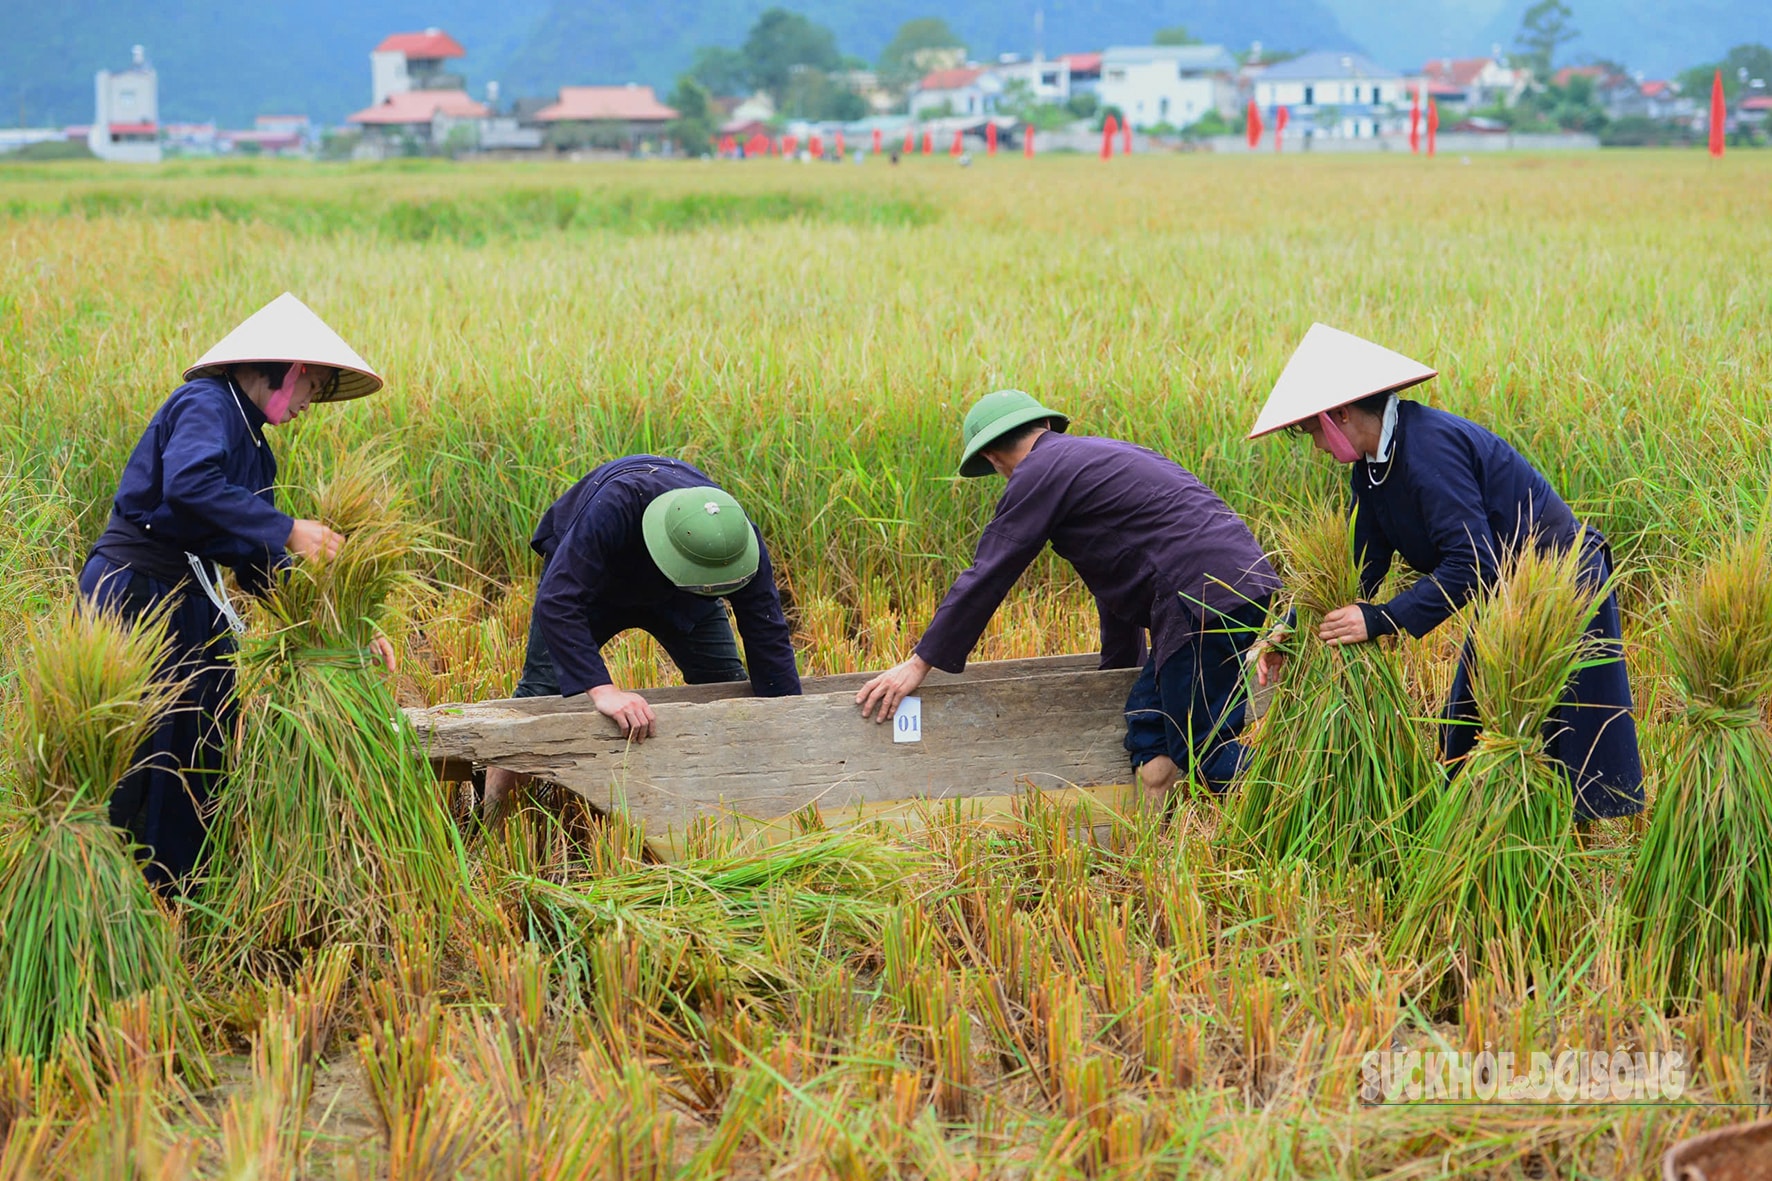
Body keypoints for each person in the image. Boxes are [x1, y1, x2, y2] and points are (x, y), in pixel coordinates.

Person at [1246, 323, 1643, 822]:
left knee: (1564, 739)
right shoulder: (1371, 467)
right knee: (1468, 722)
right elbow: (1358, 566)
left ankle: (1566, 856)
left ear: (1340, 414)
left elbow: (1474, 562)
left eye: (1311, 431)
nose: (1316, 447)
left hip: (1560, 581)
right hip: (1508, 589)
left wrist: (1383, 619)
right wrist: (1292, 629)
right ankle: (1491, 829)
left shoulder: (1428, 448)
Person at [79, 292, 391, 890]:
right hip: (135, 590)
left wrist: (345, 625)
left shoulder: (257, 452)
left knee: (205, 735)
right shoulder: (206, 404)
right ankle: (109, 887)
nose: (310, 404)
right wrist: (290, 528)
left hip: (193, 599)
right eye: (314, 388)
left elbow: (256, 564)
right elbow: (190, 485)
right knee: (136, 744)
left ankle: (178, 891)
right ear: (291, 371)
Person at [855, 391, 1281, 804]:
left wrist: (919, 663)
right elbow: (1118, 579)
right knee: (1150, 726)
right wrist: (1116, 671)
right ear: (1043, 425)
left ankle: (1313, 784)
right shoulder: (1093, 457)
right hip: (1232, 585)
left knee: (1204, 751)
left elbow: (989, 573)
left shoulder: (1039, 472)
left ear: (991, 458)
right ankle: (1155, 848)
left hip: (1198, 599)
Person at [481, 457, 802, 815]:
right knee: (537, 698)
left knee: (726, 687)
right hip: (595, 585)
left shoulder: (732, 538)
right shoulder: (612, 507)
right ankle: (494, 815)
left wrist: (786, 720)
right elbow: (557, 602)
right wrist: (604, 692)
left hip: (684, 595)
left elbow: (766, 630)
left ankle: (736, 808)